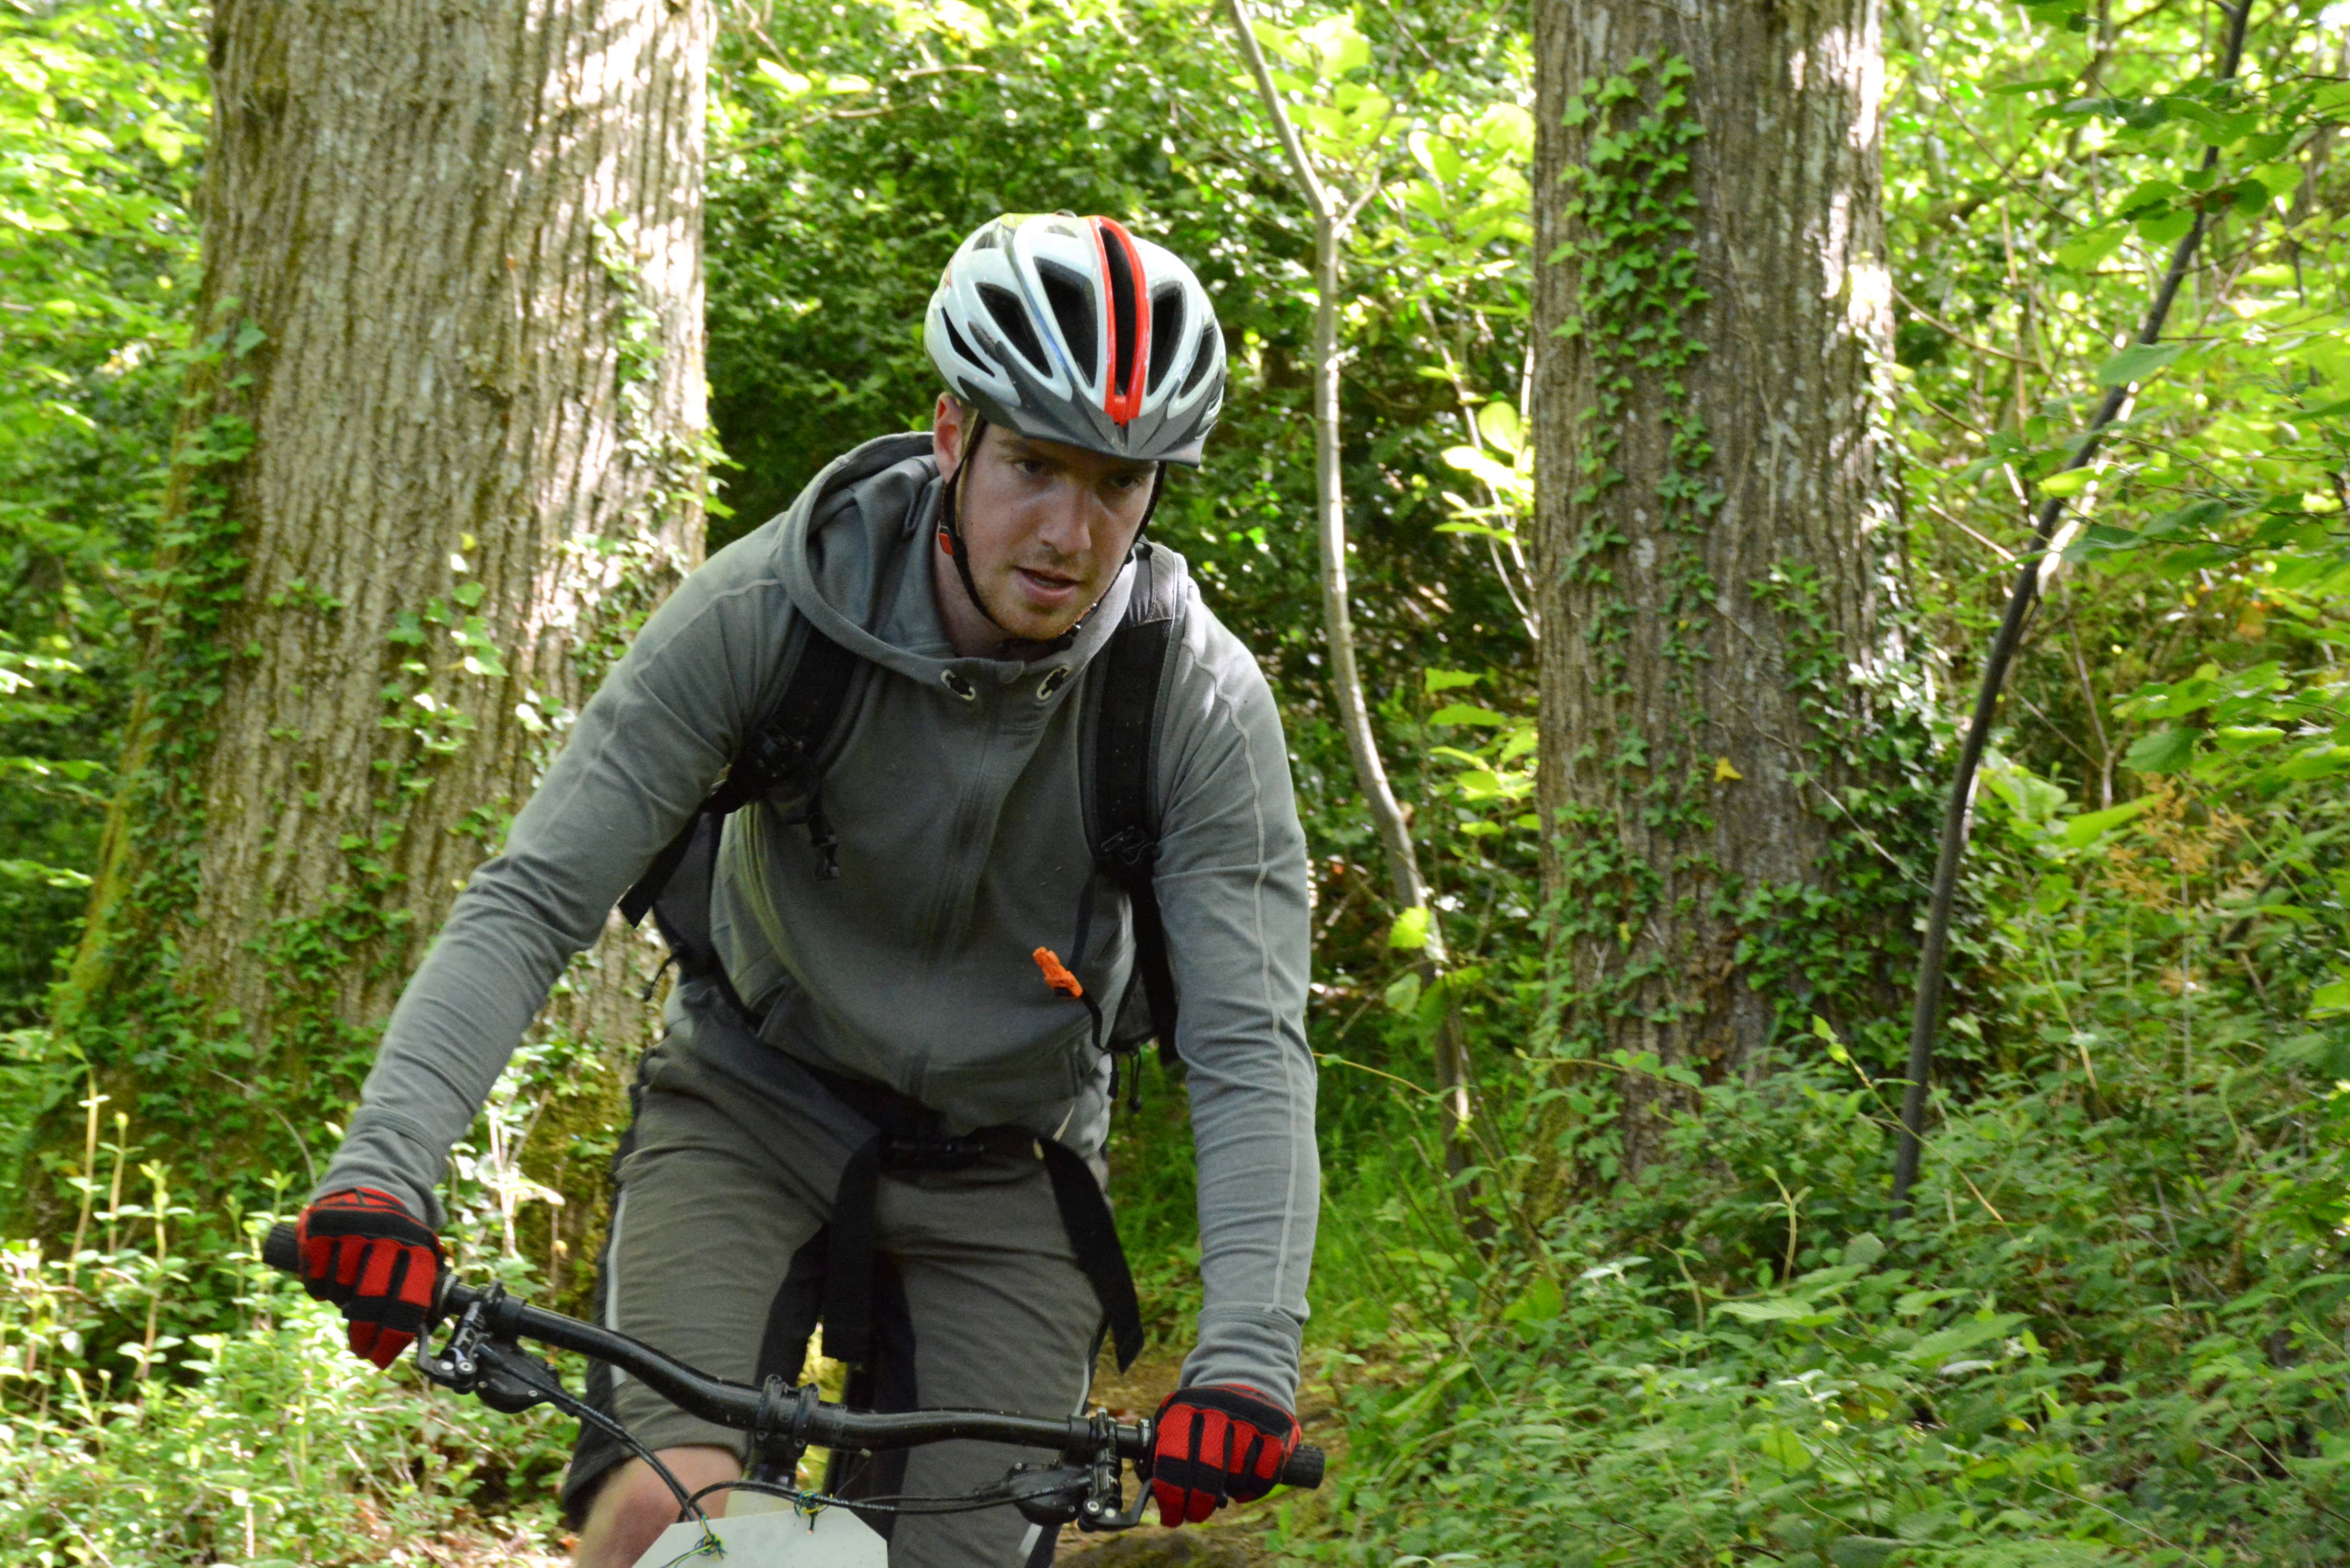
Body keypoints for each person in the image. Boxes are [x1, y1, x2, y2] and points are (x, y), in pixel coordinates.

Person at [290, 212, 1318, 1568]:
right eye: (1034, 464)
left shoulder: (1192, 700)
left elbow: (1250, 1042)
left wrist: (1244, 1358)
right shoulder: (771, 608)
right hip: (749, 1103)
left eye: (1119, 483)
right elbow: (534, 898)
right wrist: (384, 1175)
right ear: (953, 437)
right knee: (661, 1517)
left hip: (1013, 1163)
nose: (1071, 531)